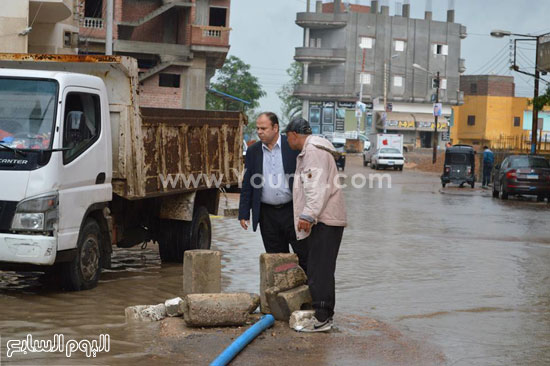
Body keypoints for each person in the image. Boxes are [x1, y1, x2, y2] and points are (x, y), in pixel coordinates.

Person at [285, 117, 347, 332]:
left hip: (325, 220)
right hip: (327, 218)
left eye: (287, 137)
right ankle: (324, 314)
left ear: (293, 135)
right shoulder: (316, 149)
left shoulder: (312, 151)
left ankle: (322, 317)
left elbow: (315, 187)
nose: (288, 142)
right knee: (320, 268)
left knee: (319, 270)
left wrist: (308, 215)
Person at [238, 112, 307, 270]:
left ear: (275, 128)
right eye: (258, 128)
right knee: (277, 260)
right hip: (267, 214)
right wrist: (243, 213)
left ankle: (307, 291)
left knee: (304, 255)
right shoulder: (253, 151)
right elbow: (248, 183)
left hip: (293, 210)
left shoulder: (292, 146)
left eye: (264, 128)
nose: (260, 132)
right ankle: (282, 293)